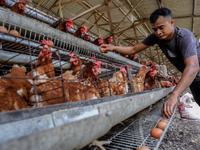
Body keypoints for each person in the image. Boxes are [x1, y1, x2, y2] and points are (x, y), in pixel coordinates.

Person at [99, 7, 200, 118]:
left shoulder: (184, 37)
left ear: (171, 23)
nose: (158, 32)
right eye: (154, 29)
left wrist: (174, 94)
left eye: (161, 27)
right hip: (194, 78)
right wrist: (112, 47)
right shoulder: (156, 37)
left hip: (195, 72)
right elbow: (133, 49)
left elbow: (193, 66)